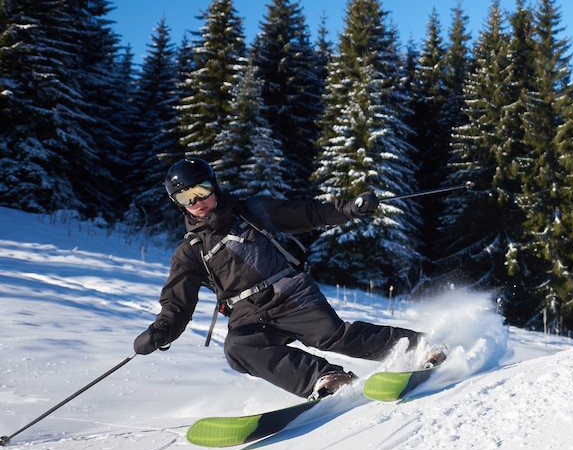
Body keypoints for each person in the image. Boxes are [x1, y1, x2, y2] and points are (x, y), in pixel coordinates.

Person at [134, 157, 443, 400]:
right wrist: (161, 332)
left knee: (332, 336)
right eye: (186, 197)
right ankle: (327, 378)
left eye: (200, 190)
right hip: (246, 313)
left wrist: (348, 209)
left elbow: (309, 213)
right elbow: (177, 304)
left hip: (288, 291)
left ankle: (421, 346)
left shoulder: (253, 210)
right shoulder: (189, 252)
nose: (197, 202)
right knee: (238, 348)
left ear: (213, 185)